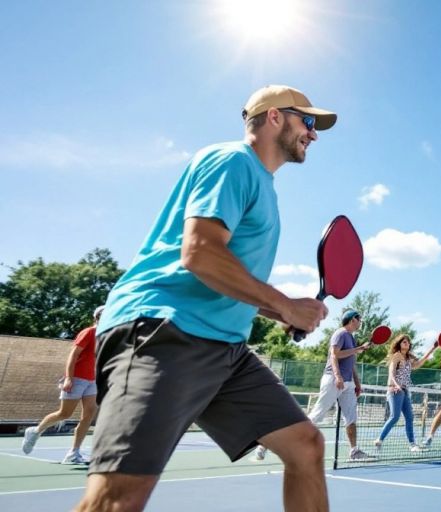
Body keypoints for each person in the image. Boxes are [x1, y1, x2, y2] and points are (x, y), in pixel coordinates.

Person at [78, 85, 336, 512]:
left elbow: (225, 276)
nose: (314, 133)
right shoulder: (233, 161)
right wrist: (287, 305)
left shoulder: (265, 188)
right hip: (165, 329)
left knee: (305, 445)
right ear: (274, 117)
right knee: (116, 499)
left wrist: (278, 312)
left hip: (223, 346)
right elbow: (199, 253)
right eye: (307, 121)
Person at [253, 309, 370, 462]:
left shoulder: (351, 338)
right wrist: (339, 375)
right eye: (359, 319)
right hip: (334, 380)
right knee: (315, 417)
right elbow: (335, 355)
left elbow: (351, 362)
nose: (360, 322)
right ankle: (267, 443)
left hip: (348, 383)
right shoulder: (340, 334)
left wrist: (357, 382)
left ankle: (354, 451)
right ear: (352, 319)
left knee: (351, 418)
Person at [22, 306, 104, 464]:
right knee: (64, 414)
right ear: (98, 317)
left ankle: (74, 452)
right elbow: (73, 356)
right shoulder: (88, 332)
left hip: (92, 381)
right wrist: (68, 378)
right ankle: (35, 431)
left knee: (88, 416)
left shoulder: (104, 336)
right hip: (77, 378)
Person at [374, 334, 438, 452]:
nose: (406, 343)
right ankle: (379, 440)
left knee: (409, 417)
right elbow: (392, 373)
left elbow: (418, 364)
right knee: (395, 416)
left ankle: (412, 444)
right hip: (394, 390)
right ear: (399, 344)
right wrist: (396, 385)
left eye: (408, 342)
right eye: (404, 341)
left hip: (404, 391)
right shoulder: (396, 355)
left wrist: (432, 349)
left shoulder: (409, 358)